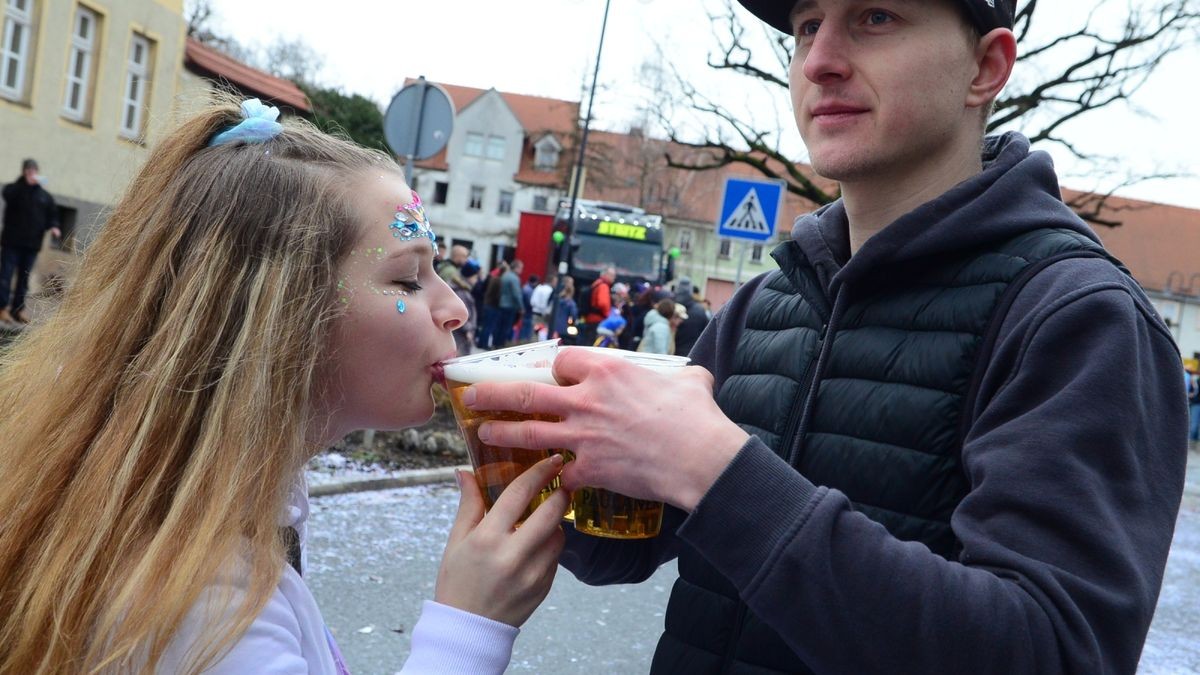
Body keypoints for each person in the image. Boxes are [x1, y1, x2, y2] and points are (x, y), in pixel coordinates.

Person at [461, 2, 1188, 673]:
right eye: (808, 24)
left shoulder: (1080, 317)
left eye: (874, 16)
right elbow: (630, 543)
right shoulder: (767, 300)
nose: (820, 60)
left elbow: (1054, 651)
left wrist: (717, 470)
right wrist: (548, 466)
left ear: (986, 68)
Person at [0, 98, 569, 674]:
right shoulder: (199, 603)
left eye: (437, 271)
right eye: (407, 277)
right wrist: (468, 627)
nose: (455, 309)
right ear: (282, 315)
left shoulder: (221, 514)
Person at [0, 158, 61, 325]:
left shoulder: (44, 197)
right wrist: (24, 183)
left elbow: (52, 215)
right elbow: (7, 195)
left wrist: (55, 226)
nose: (32, 173)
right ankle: (2, 308)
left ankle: (18, 310)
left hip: (32, 245)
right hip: (12, 242)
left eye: (34, 170)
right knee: (5, 275)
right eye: (29, 170)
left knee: (23, 279)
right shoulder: (14, 189)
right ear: (24, 172)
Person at [581, 266, 615, 346]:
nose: (614, 278)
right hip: (597, 320)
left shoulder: (596, 283)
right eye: (612, 275)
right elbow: (603, 303)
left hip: (590, 318)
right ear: (606, 274)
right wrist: (607, 314)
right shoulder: (604, 286)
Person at [496, 259, 524, 348]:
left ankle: (496, 343)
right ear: (516, 268)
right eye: (521, 268)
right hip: (510, 306)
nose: (521, 271)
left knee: (500, 326)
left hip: (501, 303)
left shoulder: (505, 275)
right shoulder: (514, 278)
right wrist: (521, 307)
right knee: (506, 327)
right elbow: (516, 294)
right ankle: (502, 345)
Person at [552, 275, 578, 342]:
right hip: (564, 329)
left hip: (552, 327)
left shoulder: (556, 298)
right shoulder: (570, 303)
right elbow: (573, 315)